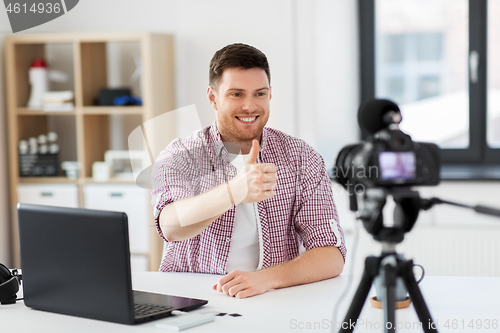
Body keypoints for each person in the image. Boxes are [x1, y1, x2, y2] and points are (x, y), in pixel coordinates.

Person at [151, 43, 346, 299]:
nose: (250, 106)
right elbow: (170, 226)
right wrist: (234, 191)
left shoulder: (301, 157)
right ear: (213, 98)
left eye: (259, 94)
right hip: (195, 298)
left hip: (272, 295)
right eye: (236, 94)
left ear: (270, 94)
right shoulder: (180, 155)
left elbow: (331, 254)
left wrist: (265, 280)